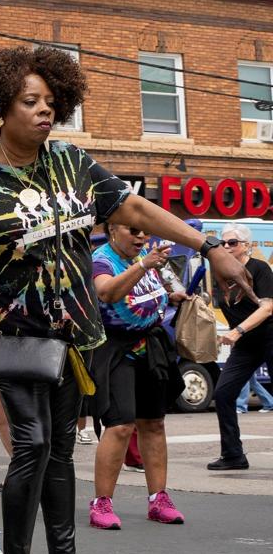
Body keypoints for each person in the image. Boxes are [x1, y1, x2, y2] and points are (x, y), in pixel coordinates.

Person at [0, 45, 252, 554]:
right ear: (0, 109)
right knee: (31, 445)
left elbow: (133, 207)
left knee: (57, 451)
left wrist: (208, 247)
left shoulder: (71, 163)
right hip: (15, 334)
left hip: (77, 334)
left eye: (52, 101)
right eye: (30, 101)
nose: (44, 111)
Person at [87, 223, 187, 530]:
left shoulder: (144, 256)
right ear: (113, 229)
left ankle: (159, 499)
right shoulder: (101, 260)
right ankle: (101, 502)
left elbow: (157, 290)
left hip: (151, 347)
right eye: (133, 230)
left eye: (145, 231)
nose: (141, 236)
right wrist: (144, 266)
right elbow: (107, 292)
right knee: (120, 426)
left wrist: (173, 295)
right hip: (116, 350)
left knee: (154, 423)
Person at [208, 222, 273, 471]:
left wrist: (238, 331)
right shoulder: (220, 274)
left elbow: (267, 308)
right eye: (222, 243)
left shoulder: (259, 269)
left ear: (247, 245)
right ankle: (233, 454)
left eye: (232, 242)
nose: (226, 246)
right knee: (223, 394)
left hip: (269, 337)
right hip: (246, 346)